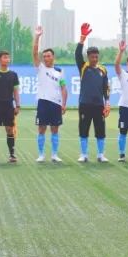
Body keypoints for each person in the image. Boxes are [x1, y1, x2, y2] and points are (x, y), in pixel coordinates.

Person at [74, 25, 110, 162]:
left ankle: (101, 154)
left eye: (96, 56)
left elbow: (106, 87)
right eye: (92, 57)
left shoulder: (103, 70)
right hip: (85, 104)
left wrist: (107, 102)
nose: (94, 59)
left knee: (100, 130)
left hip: (99, 105)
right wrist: (82, 39)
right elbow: (77, 55)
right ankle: (84, 154)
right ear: (88, 57)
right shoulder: (83, 67)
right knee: (84, 130)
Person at [32, 25, 67, 163]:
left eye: (48, 56)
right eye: (44, 56)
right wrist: (37, 36)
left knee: (55, 129)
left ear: (53, 57)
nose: (46, 58)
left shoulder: (59, 71)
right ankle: (41, 154)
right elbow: (35, 53)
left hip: (56, 103)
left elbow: (63, 88)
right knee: (41, 129)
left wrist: (64, 104)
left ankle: (54, 154)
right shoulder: (40, 68)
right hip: (43, 102)